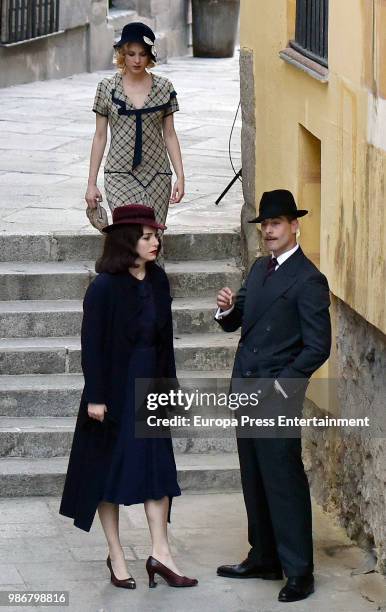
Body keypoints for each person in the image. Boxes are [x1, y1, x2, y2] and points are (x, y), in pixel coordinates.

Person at [59, 204, 197, 590]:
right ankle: (116, 554)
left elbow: (165, 340)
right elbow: (92, 346)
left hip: (150, 386)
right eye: (147, 236)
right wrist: (96, 397)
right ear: (127, 240)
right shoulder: (103, 287)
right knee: (109, 472)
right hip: (115, 390)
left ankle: (161, 553)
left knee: (158, 472)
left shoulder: (158, 280)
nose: (155, 242)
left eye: (156, 235)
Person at [215, 190, 331, 603]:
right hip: (246, 390)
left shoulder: (309, 279)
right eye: (264, 224)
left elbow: (318, 346)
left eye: (276, 223)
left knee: (283, 481)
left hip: (276, 395)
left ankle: (299, 571)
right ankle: (264, 556)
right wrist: (226, 308)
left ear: (294, 225)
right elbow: (236, 321)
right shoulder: (260, 269)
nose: (268, 230)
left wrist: (283, 384)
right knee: (254, 477)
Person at [85, 22, 184, 229]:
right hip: (119, 173)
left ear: (150, 56)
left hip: (158, 174)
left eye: (142, 54)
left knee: (152, 239)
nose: (137, 60)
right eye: (131, 54)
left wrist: (180, 176)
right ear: (122, 54)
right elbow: (100, 136)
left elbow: (170, 135)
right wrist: (91, 183)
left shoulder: (164, 87)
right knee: (129, 235)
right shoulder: (107, 88)